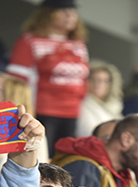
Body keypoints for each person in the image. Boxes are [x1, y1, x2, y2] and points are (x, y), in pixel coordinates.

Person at [8, 0, 89, 153]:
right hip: (43, 112)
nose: (70, 16)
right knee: (43, 156)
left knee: (66, 158)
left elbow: (83, 81)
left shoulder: (78, 44)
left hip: (73, 112)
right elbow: (16, 82)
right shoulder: (29, 41)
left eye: (73, 12)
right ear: (48, 14)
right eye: (64, 11)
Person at [75, 60, 123, 138]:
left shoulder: (114, 105)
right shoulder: (82, 105)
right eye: (92, 79)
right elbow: (88, 132)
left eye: (103, 81)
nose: (97, 84)